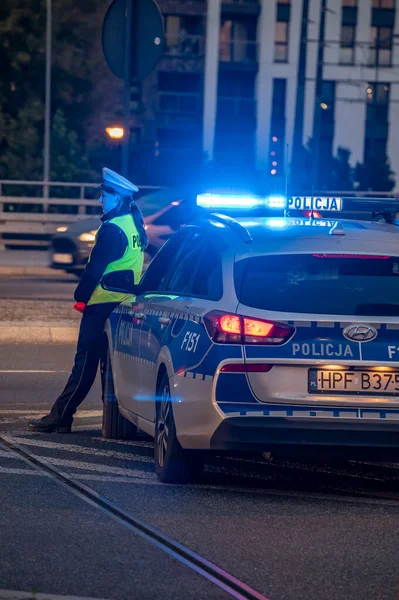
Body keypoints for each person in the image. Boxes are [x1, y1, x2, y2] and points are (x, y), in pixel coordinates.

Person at [28, 168, 148, 433]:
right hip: (122, 302)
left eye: (103, 195)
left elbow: (95, 269)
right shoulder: (133, 223)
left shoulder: (113, 229)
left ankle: (62, 417)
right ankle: (113, 421)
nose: (99, 200)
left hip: (102, 301)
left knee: (85, 363)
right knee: (108, 364)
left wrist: (81, 295)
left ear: (116, 197)